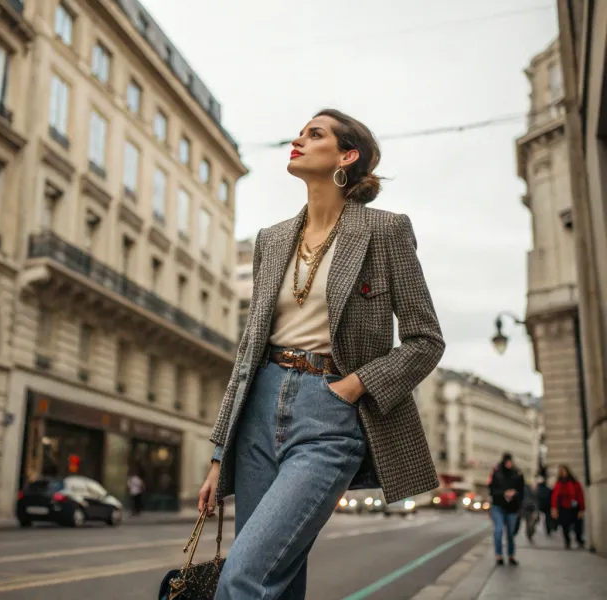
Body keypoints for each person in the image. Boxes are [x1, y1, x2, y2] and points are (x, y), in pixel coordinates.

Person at [198, 109, 445, 599]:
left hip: (328, 415)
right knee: (280, 581)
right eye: (300, 132)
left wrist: (353, 387)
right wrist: (217, 453)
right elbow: (249, 352)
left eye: (315, 134)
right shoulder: (271, 240)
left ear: (346, 156)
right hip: (258, 410)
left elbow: (425, 339)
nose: (298, 139)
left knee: (243, 576)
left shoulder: (385, 230)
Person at [488, 453, 525, 566]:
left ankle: (511, 555)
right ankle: (498, 555)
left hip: (512, 508)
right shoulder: (496, 472)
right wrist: (504, 493)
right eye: (507, 461)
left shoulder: (517, 473)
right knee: (498, 530)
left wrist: (514, 494)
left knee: (510, 533)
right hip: (498, 506)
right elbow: (492, 490)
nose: (509, 463)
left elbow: (522, 491)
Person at [551, 465, 585, 549]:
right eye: (560, 471)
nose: (562, 472)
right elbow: (554, 497)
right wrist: (554, 508)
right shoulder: (559, 484)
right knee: (564, 526)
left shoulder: (574, 483)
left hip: (574, 507)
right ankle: (567, 541)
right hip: (563, 508)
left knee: (578, 525)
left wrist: (581, 509)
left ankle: (579, 539)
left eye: (563, 470)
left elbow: (580, 495)